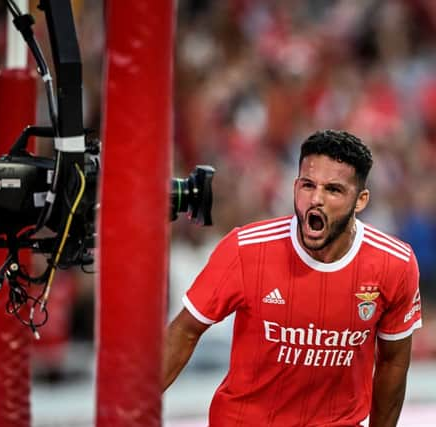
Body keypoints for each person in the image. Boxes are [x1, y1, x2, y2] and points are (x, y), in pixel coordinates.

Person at [163, 130, 422, 426]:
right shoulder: (246, 249)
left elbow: (393, 361)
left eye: (333, 190)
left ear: (360, 200)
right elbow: (185, 331)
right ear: (294, 186)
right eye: (308, 185)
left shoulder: (395, 263)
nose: (315, 199)